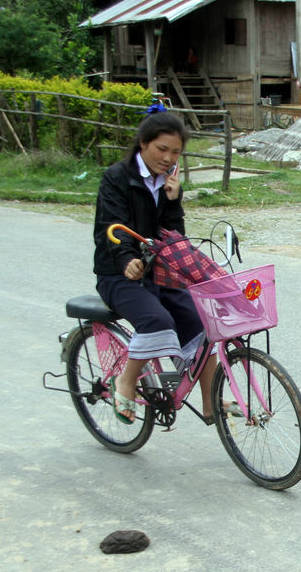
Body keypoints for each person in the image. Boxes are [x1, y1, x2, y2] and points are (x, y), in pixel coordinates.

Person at [93, 111, 219, 425]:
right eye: (162, 149)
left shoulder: (168, 184)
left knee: (204, 322)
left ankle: (210, 402)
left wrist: (173, 200)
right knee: (157, 320)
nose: (168, 157)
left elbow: (173, 238)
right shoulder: (117, 177)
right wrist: (126, 260)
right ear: (144, 143)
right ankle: (125, 381)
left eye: (175, 152)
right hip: (117, 274)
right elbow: (111, 227)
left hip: (159, 274)